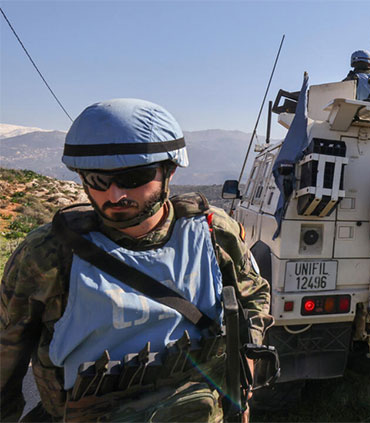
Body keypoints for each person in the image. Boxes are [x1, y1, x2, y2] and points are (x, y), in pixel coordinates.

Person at [0, 98, 272, 422]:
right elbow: (7, 355)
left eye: (133, 177)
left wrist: (247, 361)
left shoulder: (215, 233)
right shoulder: (47, 256)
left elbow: (253, 295)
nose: (114, 195)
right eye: (97, 180)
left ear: (169, 170)